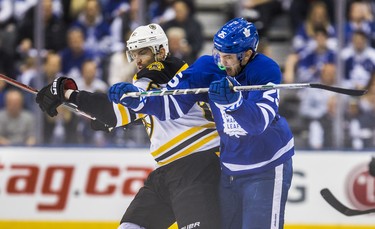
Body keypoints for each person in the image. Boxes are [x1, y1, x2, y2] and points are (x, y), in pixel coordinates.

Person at [111, 18, 295, 229]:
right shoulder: (208, 66)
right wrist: (140, 100)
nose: (222, 62)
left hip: (267, 166)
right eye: (218, 54)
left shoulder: (265, 70)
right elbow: (172, 102)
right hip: (230, 170)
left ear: (246, 55)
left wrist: (234, 103)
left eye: (228, 57)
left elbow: (258, 123)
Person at [35, 23, 221, 229]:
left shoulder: (159, 71)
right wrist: (111, 119)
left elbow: (116, 112)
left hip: (196, 166)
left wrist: (67, 93)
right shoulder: (169, 75)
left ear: (161, 50)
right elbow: (147, 109)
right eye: (134, 53)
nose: (138, 60)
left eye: (143, 52)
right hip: (168, 170)